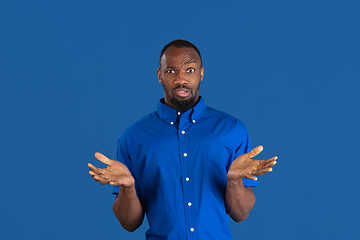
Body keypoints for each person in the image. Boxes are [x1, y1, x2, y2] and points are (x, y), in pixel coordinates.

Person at [88, 39, 277, 240]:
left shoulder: (232, 130)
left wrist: (234, 181)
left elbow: (241, 214)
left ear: (201, 73)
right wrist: (127, 188)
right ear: (160, 75)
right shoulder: (133, 137)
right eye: (171, 71)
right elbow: (129, 223)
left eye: (190, 70)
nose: (181, 80)